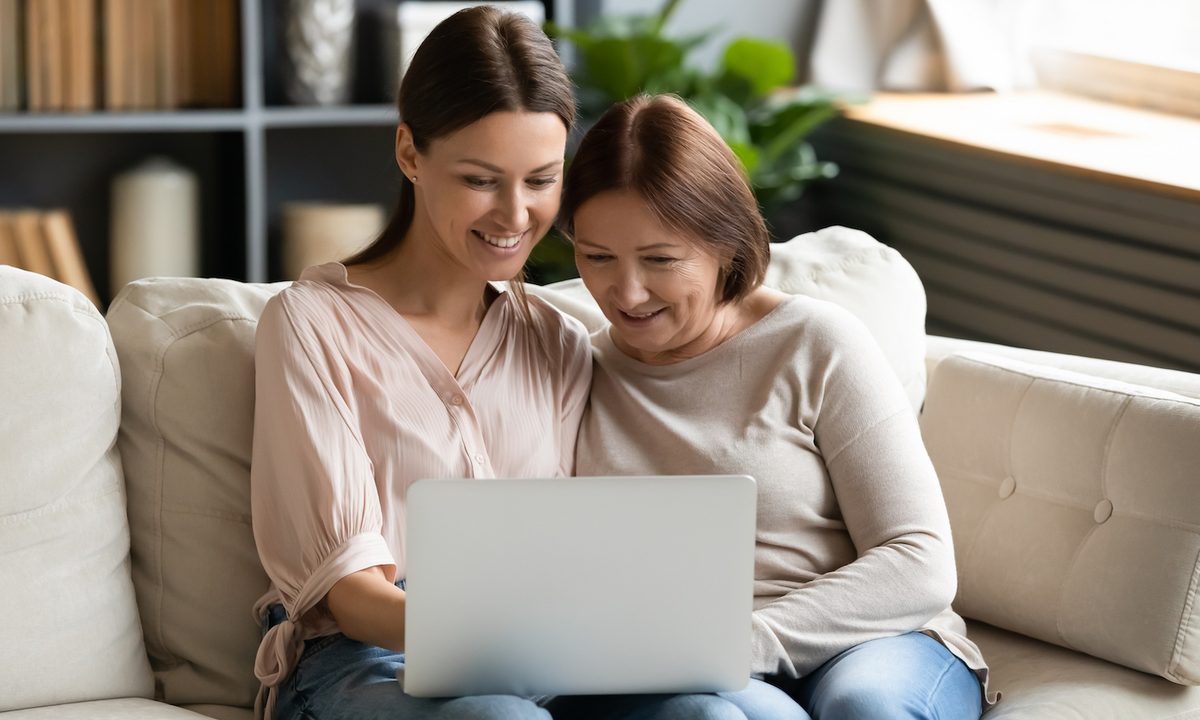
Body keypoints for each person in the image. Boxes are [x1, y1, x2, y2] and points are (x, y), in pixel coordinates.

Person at [556, 94, 993, 720]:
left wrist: (744, 641)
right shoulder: (574, 372)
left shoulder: (815, 341)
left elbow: (916, 559)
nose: (625, 293)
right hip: (687, 668)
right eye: (597, 257)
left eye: (660, 260)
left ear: (726, 246)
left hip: (870, 639)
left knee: (868, 707)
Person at [249, 8, 591, 720]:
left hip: (534, 652)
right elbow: (352, 591)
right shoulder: (312, 324)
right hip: (361, 660)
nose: (515, 213)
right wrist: (499, 639)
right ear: (409, 152)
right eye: (480, 179)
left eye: (540, 179)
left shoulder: (557, 339)